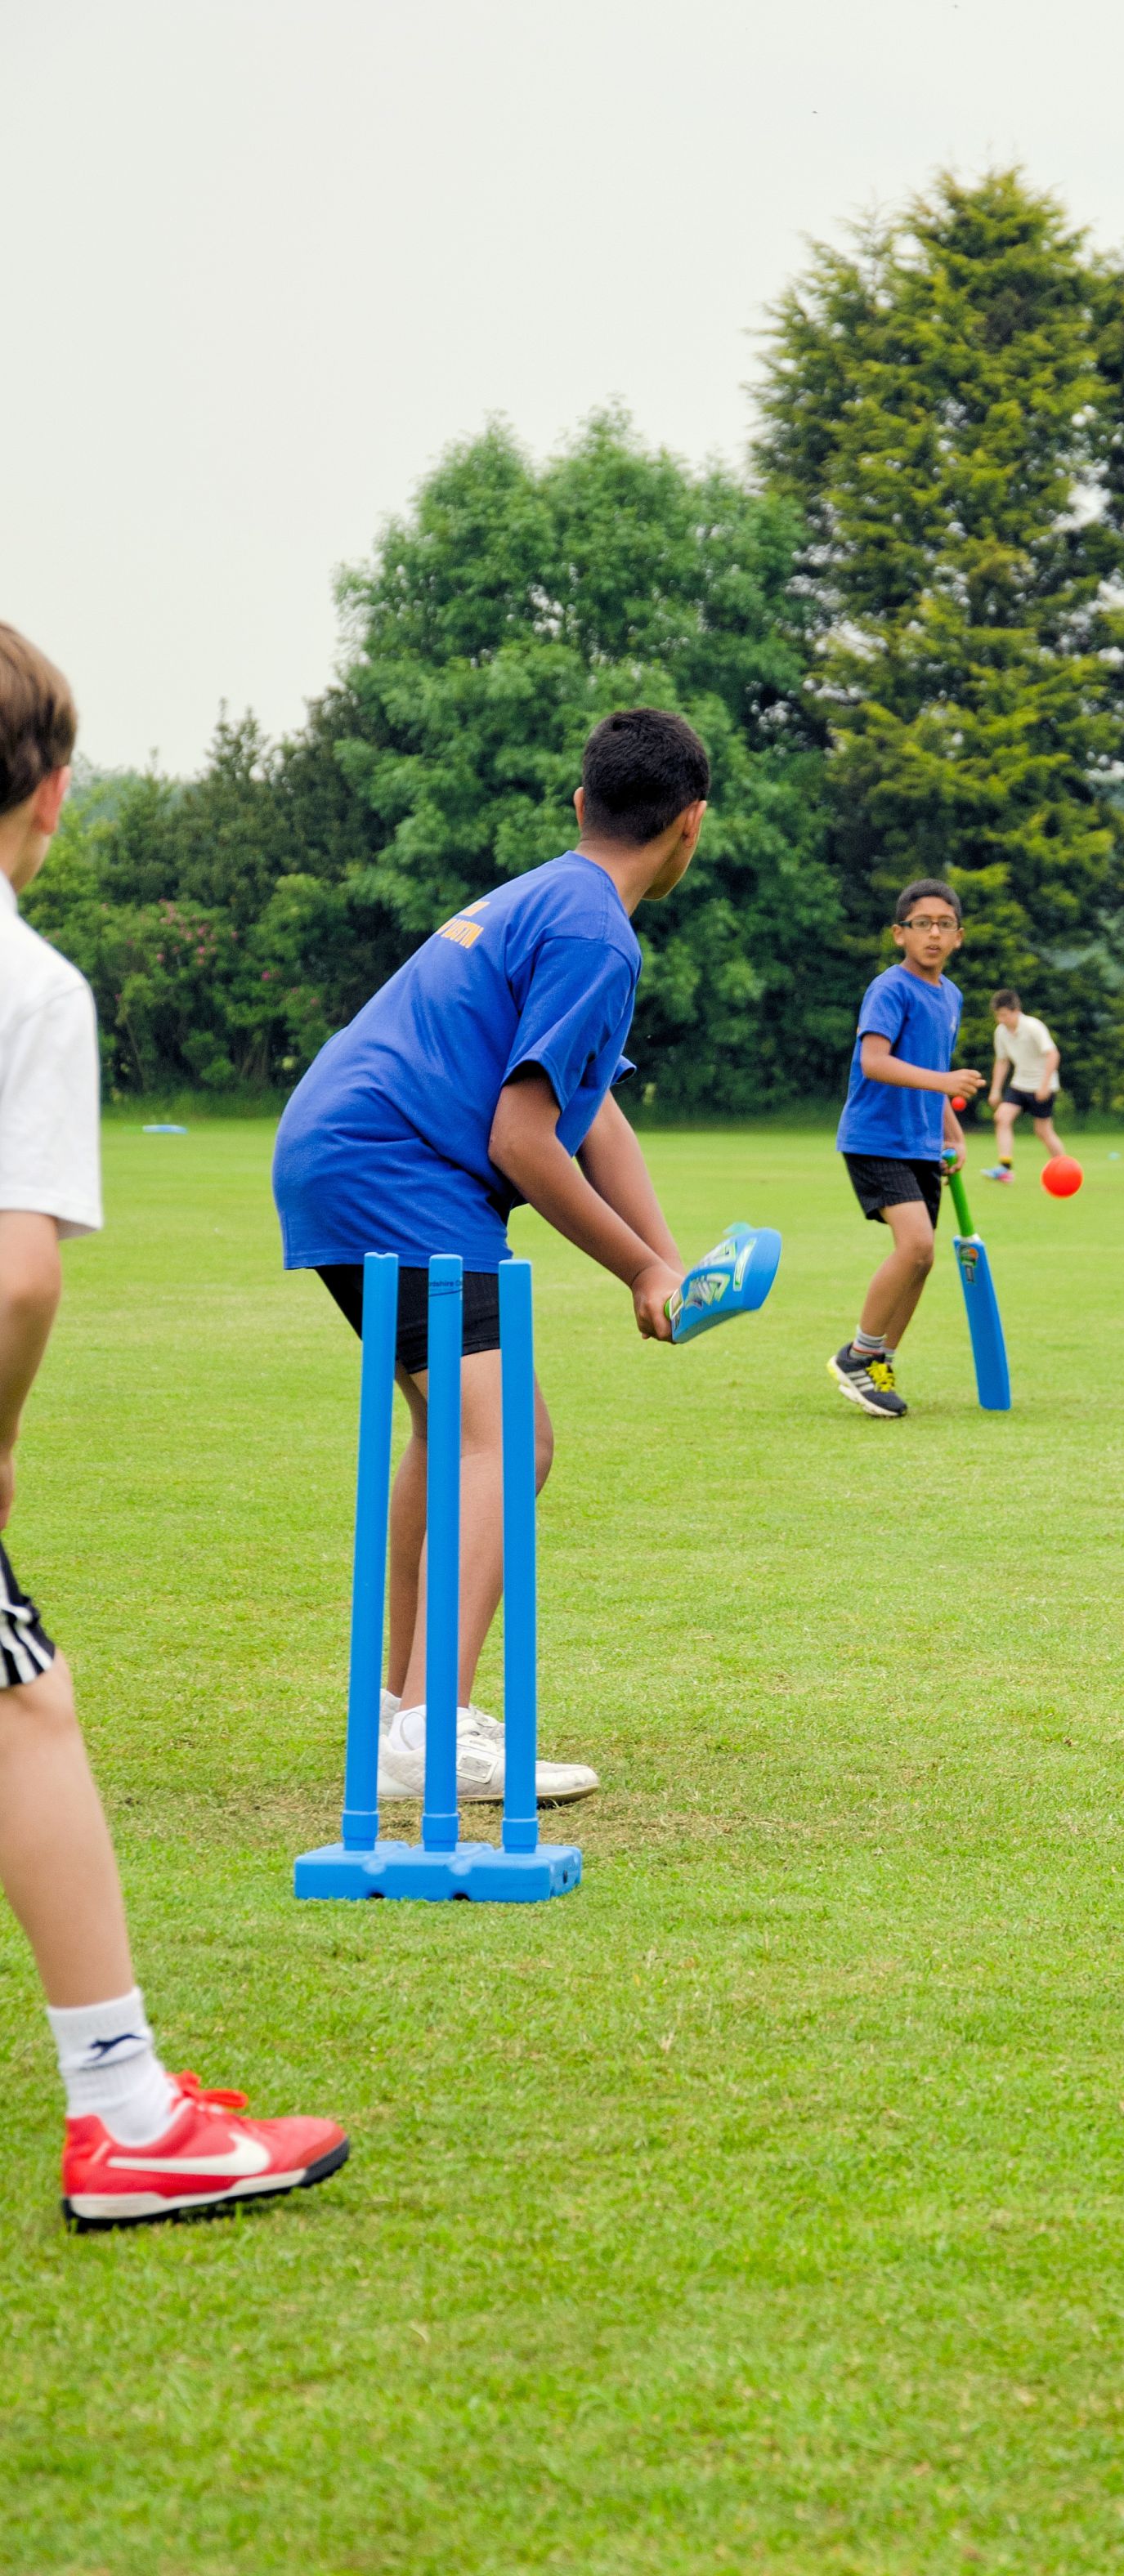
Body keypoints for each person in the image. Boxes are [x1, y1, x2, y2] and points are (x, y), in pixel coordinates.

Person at [0, 624, 348, 2228]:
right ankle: (125, 2108)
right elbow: (15, 1284)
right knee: (27, 1714)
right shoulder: (29, 983)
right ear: (55, 793)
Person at [273, 707, 709, 1803]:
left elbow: (588, 1108)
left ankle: (396, 1708)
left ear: (579, 806)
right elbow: (521, 1138)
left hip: (342, 1147)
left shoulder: (548, 894)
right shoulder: (597, 935)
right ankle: (431, 1725)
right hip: (396, 1169)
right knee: (510, 1437)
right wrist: (640, 1275)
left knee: (452, 1429)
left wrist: (666, 1261)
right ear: (690, 827)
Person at [827, 880, 982, 1420]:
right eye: (922, 924)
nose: (933, 932)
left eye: (944, 923)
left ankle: (880, 1363)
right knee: (914, 1245)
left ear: (958, 937)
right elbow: (876, 1061)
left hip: (920, 1143)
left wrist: (952, 1134)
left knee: (922, 1260)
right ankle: (857, 1355)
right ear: (900, 934)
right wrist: (944, 1086)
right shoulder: (890, 989)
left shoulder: (951, 996)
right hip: (875, 1138)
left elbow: (932, 1069)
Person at [982, 989, 1064, 1181]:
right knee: (1002, 1117)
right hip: (1020, 1083)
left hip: (1043, 1086)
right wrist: (995, 1090)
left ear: (1016, 1010)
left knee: (1043, 1132)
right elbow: (1002, 1061)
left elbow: (1053, 1054)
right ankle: (1005, 1169)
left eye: (1004, 1015)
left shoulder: (1033, 1027)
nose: (1000, 1020)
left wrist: (1044, 1085)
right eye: (998, 1015)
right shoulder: (1001, 1032)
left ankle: (1065, 1168)